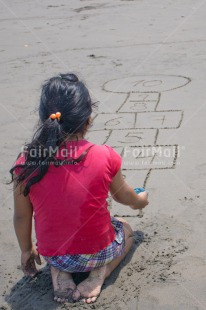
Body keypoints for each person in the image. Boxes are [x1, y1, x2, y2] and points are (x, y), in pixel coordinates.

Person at [10, 73, 149, 304]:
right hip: (97, 253)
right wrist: (140, 200)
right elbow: (125, 197)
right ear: (88, 120)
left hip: (54, 254)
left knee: (59, 244)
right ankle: (100, 274)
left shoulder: (26, 162)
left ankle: (60, 272)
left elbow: (22, 216)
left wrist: (26, 250)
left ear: (44, 119)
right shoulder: (104, 155)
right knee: (127, 229)